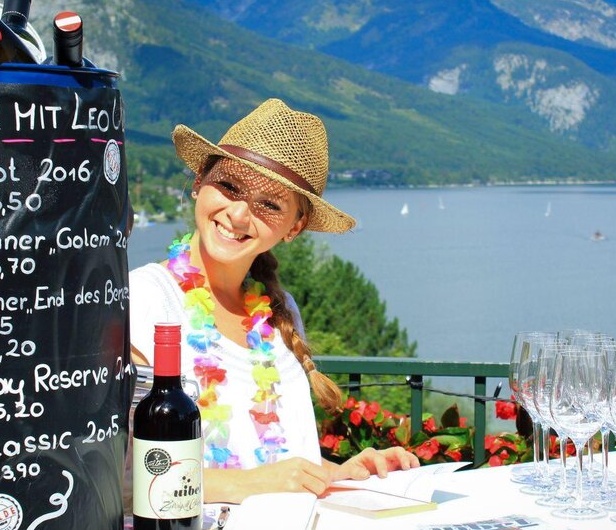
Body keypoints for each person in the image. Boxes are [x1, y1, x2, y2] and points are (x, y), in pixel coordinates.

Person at [129, 98, 418, 504]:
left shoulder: (281, 313)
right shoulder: (144, 301)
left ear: (295, 227)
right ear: (199, 180)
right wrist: (247, 485)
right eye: (229, 186)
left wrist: (341, 474)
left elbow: (274, 465)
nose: (238, 215)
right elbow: (119, 476)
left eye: (269, 204)